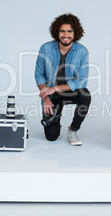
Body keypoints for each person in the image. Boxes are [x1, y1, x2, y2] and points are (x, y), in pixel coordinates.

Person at [35, 13, 91, 146]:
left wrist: (55, 88)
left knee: (85, 95)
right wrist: (46, 98)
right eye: (62, 31)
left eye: (69, 31)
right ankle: (56, 120)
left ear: (75, 33)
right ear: (57, 32)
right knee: (51, 137)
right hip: (51, 95)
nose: (66, 35)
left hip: (68, 91)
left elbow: (82, 81)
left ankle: (73, 130)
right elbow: (39, 74)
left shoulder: (82, 51)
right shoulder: (46, 48)